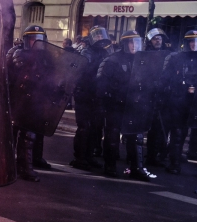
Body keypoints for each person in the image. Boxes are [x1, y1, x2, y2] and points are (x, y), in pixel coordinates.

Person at [96, 30, 154, 181]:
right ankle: (110, 165)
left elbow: (148, 82)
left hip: (134, 105)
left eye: (136, 42)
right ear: (124, 44)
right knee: (112, 135)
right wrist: (108, 100)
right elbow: (102, 84)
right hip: (116, 105)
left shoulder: (143, 61)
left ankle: (136, 168)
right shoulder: (113, 60)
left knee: (136, 136)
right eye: (131, 42)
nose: (134, 45)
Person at [7, 25, 51, 182]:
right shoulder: (17, 53)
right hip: (17, 100)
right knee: (11, 135)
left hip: (35, 101)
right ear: (27, 40)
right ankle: (8, 166)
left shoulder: (47, 57)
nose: (35, 42)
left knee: (30, 136)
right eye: (33, 39)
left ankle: (25, 166)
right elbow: (9, 77)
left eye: (39, 39)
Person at [70, 26, 111, 170]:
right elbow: (81, 67)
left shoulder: (105, 52)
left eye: (102, 35)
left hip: (98, 95)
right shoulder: (86, 51)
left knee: (95, 128)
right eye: (97, 36)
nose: (100, 38)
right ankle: (79, 158)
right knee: (84, 127)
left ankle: (89, 156)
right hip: (84, 94)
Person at [161, 29, 197, 174]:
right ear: (186, 43)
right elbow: (166, 77)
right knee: (177, 130)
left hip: (193, 101)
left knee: (186, 130)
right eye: (191, 41)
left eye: (196, 41)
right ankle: (174, 162)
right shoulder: (176, 58)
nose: (194, 44)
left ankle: (177, 156)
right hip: (178, 98)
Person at [144, 28, 171, 167]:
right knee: (148, 128)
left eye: (160, 38)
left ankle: (158, 155)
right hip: (148, 96)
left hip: (163, 96)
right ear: (150, 41)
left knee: (160, 129)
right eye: (155, 38)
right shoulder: (144, 55)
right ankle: (148, 155)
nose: (158, 40)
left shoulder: (168, 55)